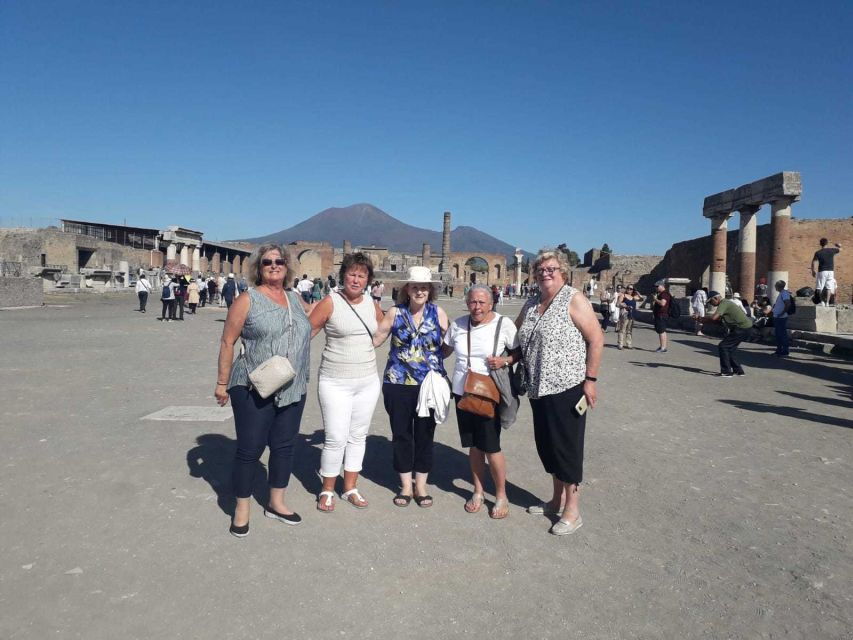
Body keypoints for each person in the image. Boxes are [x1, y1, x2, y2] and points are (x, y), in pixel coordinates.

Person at [214, 243, 312, 537]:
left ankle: (276, 502)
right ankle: (242, 508)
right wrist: (222, 382)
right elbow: (228, 341)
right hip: (253, 386)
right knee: (250, 449)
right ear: (258, 267)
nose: (273, 265)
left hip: (293, 386)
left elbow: (313, 325)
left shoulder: (295, 299)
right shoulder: (247, 300)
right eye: (267, 261)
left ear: (287, 266)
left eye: (279, 261)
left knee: (284, 446)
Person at [515, 250, 602, 536]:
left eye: (551, 268)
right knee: (548, 446)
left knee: (567, 447)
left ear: (562, 270)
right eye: (540, 268)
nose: (545, 273)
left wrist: (590, 379)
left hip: (567, 386)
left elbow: (596, 338)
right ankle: (555, 500)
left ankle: (572, 510)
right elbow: (515, 337)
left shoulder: (573, 298)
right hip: (537, 387)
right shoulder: (532, 302)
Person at [308, 253, 385, 512]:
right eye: (352, 274)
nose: (356, 279)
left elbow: (381, 332)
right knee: (335, 437)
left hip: (366, 380)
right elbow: (308, 332)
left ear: (368, 280)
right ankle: (327, 488)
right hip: (334, 381)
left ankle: (350, 487)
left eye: (361, 275)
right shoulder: (331, 302)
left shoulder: (372, 304)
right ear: (344, 276)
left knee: (357, 436)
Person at [373, 266, 449, 508]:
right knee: (402, 434)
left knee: (426, 435)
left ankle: (421, 485)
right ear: (407, 288)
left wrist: (433, 362)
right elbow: (377, 339)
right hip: (397, 382)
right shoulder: (395, 312)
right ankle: (406, 485)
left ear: (430, 290)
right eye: (415, 286)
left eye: (424, 287)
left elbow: (448, 345)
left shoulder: (438, 313)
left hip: (429, 385)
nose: (419, 291)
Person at [442, 284, 519, 519]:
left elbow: (519, 352)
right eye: (473, 302)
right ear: (467, 303)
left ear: (491, 303)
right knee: (474, 445)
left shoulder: (503, 324)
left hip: (489, 393)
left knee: (491, 446)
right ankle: (478, 491)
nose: (477, 307)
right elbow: (443, 350)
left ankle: (501, 494)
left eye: (481, 302)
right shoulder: (458, 324)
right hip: (462, 392)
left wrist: (505, 361)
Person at [704, 291, 751, 377]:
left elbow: (714, 318)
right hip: (745, 328)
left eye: (711, 301)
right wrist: (700, 319)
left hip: (741, 328)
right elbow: (717, 321)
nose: (711, 304)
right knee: (730, 349)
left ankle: (726, 372)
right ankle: (738, 370)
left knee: (723, 346)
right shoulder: (725, 303)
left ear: (716, 298)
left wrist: (702, 319)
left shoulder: (724, 303)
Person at [812, 238, 842, 306]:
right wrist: (838, 246)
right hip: (831, 271)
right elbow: (840, 249)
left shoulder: (818, 252)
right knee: (829, 287)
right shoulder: (831, 250)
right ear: (827, 243)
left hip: (822, 271)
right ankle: (827, 303)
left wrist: (813, 270)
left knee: (820, 287)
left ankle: (822, 301)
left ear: (820, 244)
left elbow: (814, 262)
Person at [616, 284, 642, 349]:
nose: (629, 290)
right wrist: (625, 306)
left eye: (631, 289)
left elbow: (642, 299)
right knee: (622, 329)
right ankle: (620, 344)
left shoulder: (634, 297)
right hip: (625, 315)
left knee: (629, 330)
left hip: (632, 315)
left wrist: (637, 292)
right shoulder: (623, 295)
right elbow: (617, 304)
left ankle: (629, 344)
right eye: (628, 288)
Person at [772, 280, 793, 357]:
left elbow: (787, 304)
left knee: (782, 334)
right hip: (778, 317)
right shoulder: (782, 293)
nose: (775, 287)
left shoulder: (784, 293)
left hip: (781, 317)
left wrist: (782, 313)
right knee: (778, 334)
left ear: (778, 286)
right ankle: (779, 350)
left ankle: (785, 351)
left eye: (775, 285)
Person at [652, 282, 672, 352]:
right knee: (662, 331)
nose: (656, 288)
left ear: (661, 286)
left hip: (662, 315)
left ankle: (663, 348)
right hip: (661, 315)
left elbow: (662, 303)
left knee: (661, 331)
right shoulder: (662, 294)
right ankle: (662, 346)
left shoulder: (664, 294)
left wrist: (655, 299)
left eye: (657, 286)